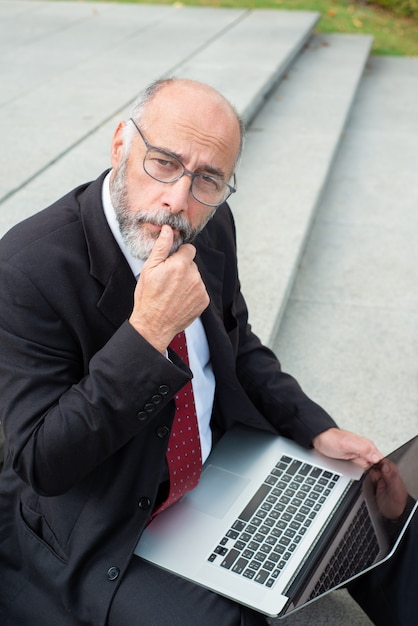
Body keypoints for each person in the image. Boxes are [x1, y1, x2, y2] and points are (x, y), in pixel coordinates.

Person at [0, 78, 382, 626]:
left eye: (208, 179)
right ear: (119, 146)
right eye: (163, 163)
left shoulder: (211, 221)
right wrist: (147, 334)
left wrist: (313, 427)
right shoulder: (26, 270)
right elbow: (42, 461)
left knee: (381, 508)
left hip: (222, 462)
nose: (178, 200)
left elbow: (239, 344)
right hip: (106, 520)